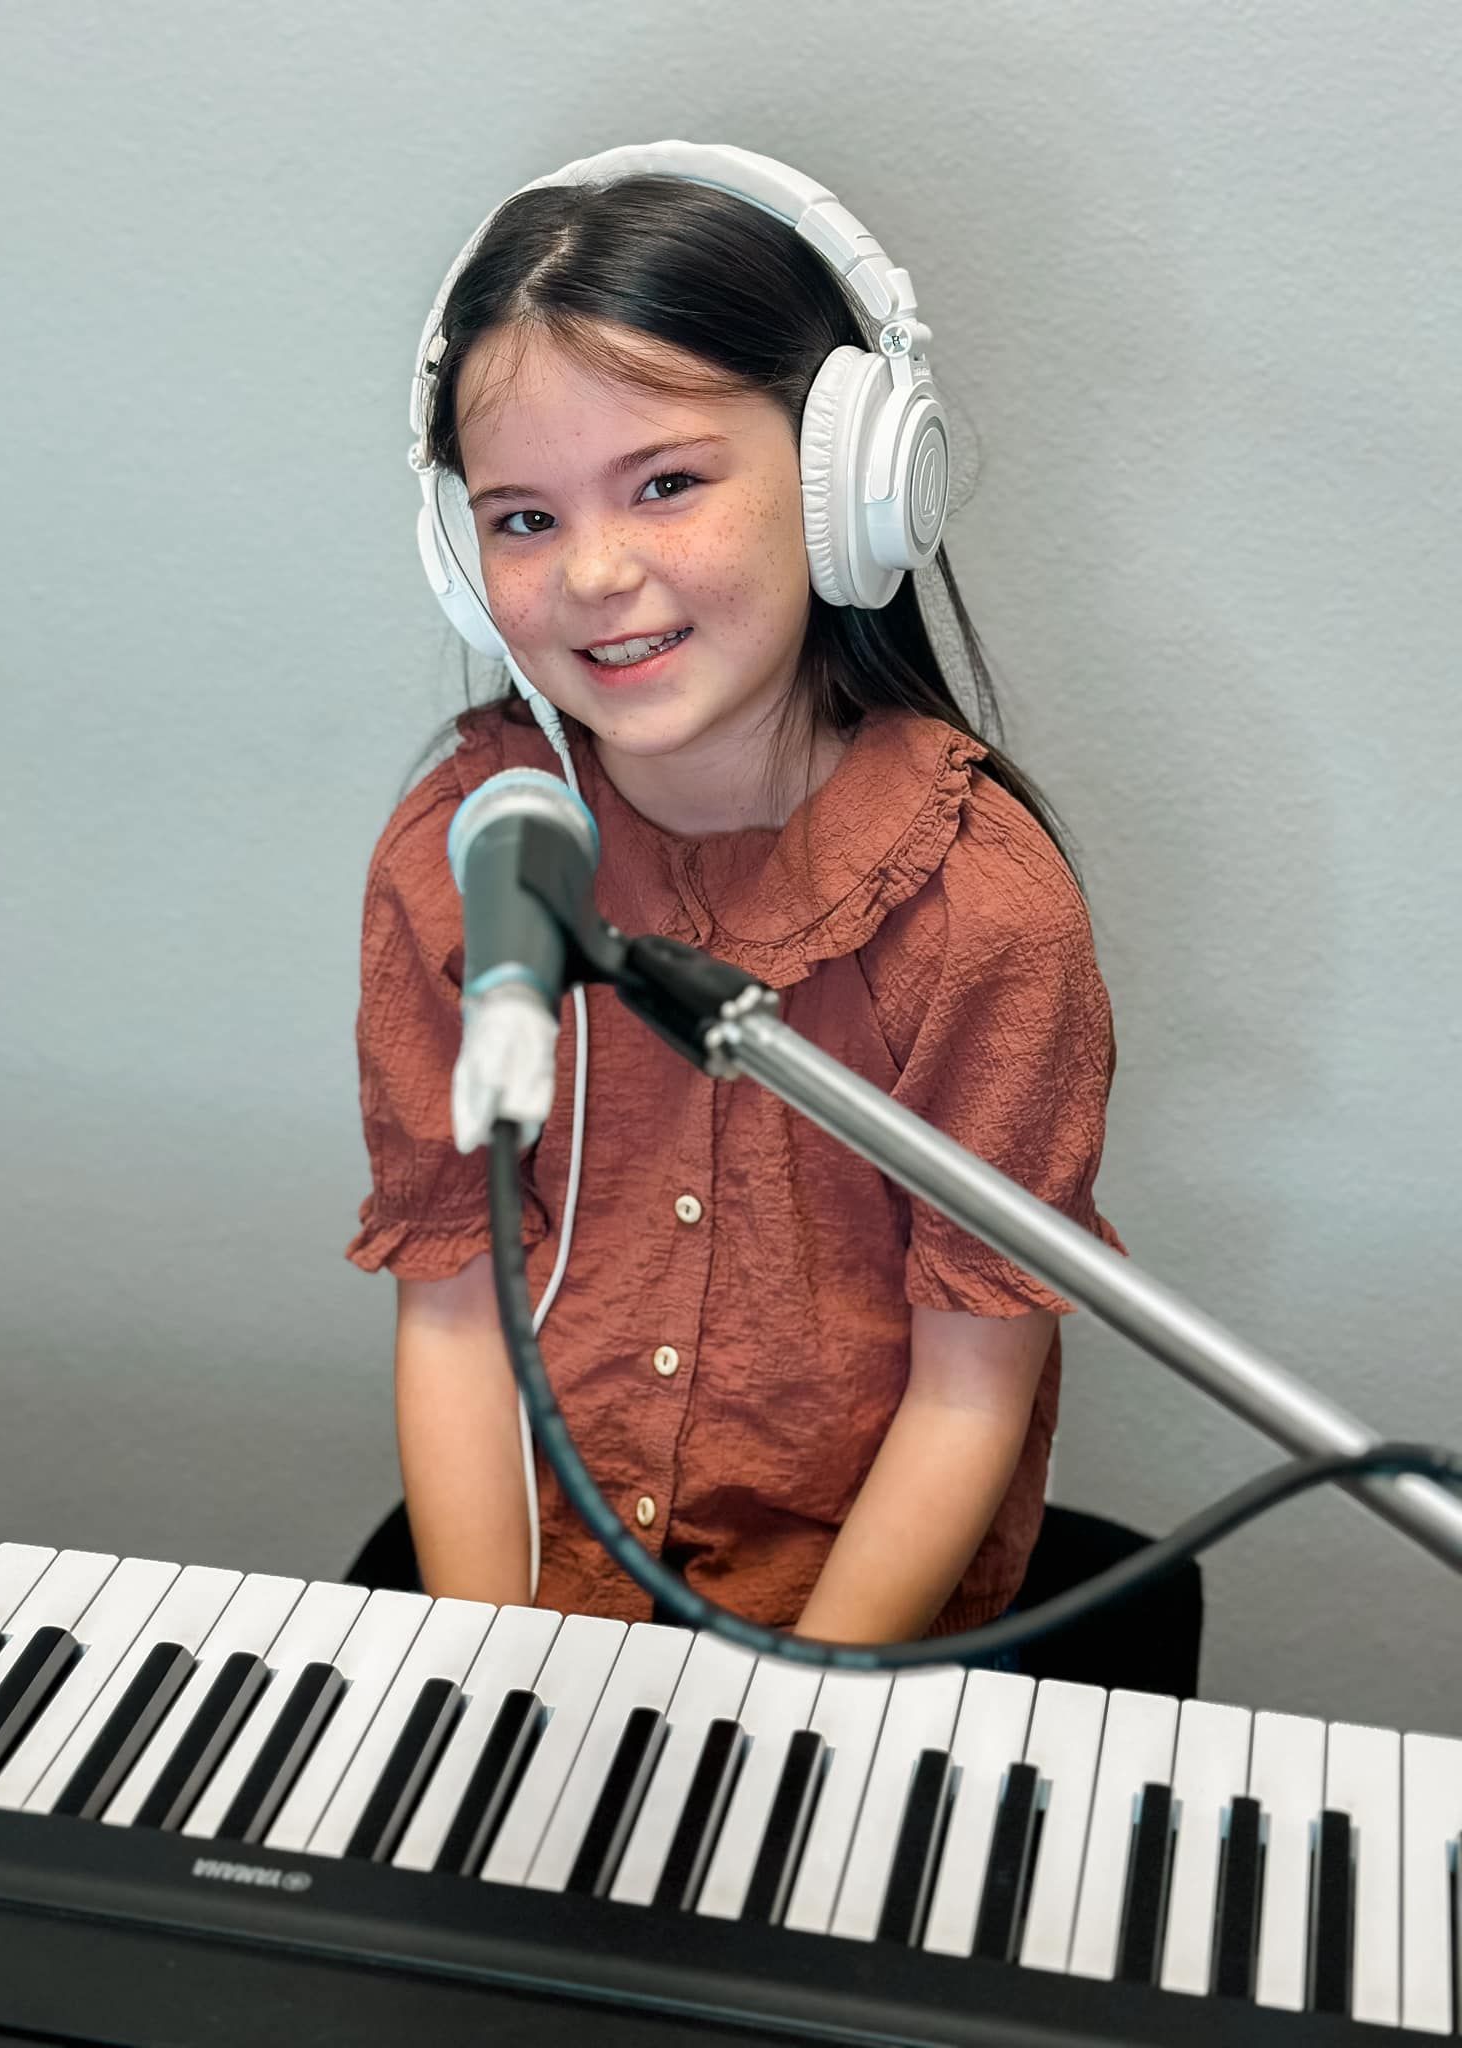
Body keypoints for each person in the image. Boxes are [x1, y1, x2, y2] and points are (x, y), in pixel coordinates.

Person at [345, 162, 1127, 1654]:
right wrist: (490, 1672)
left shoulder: (981, 912)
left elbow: (975, 1383)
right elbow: (451, 1303)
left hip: (854, 1624)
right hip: (536, 1576)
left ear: (850, 485)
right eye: (519, 518)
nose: (595, 572)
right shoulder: (470, 858)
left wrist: (789, 1719)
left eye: (665, 482)